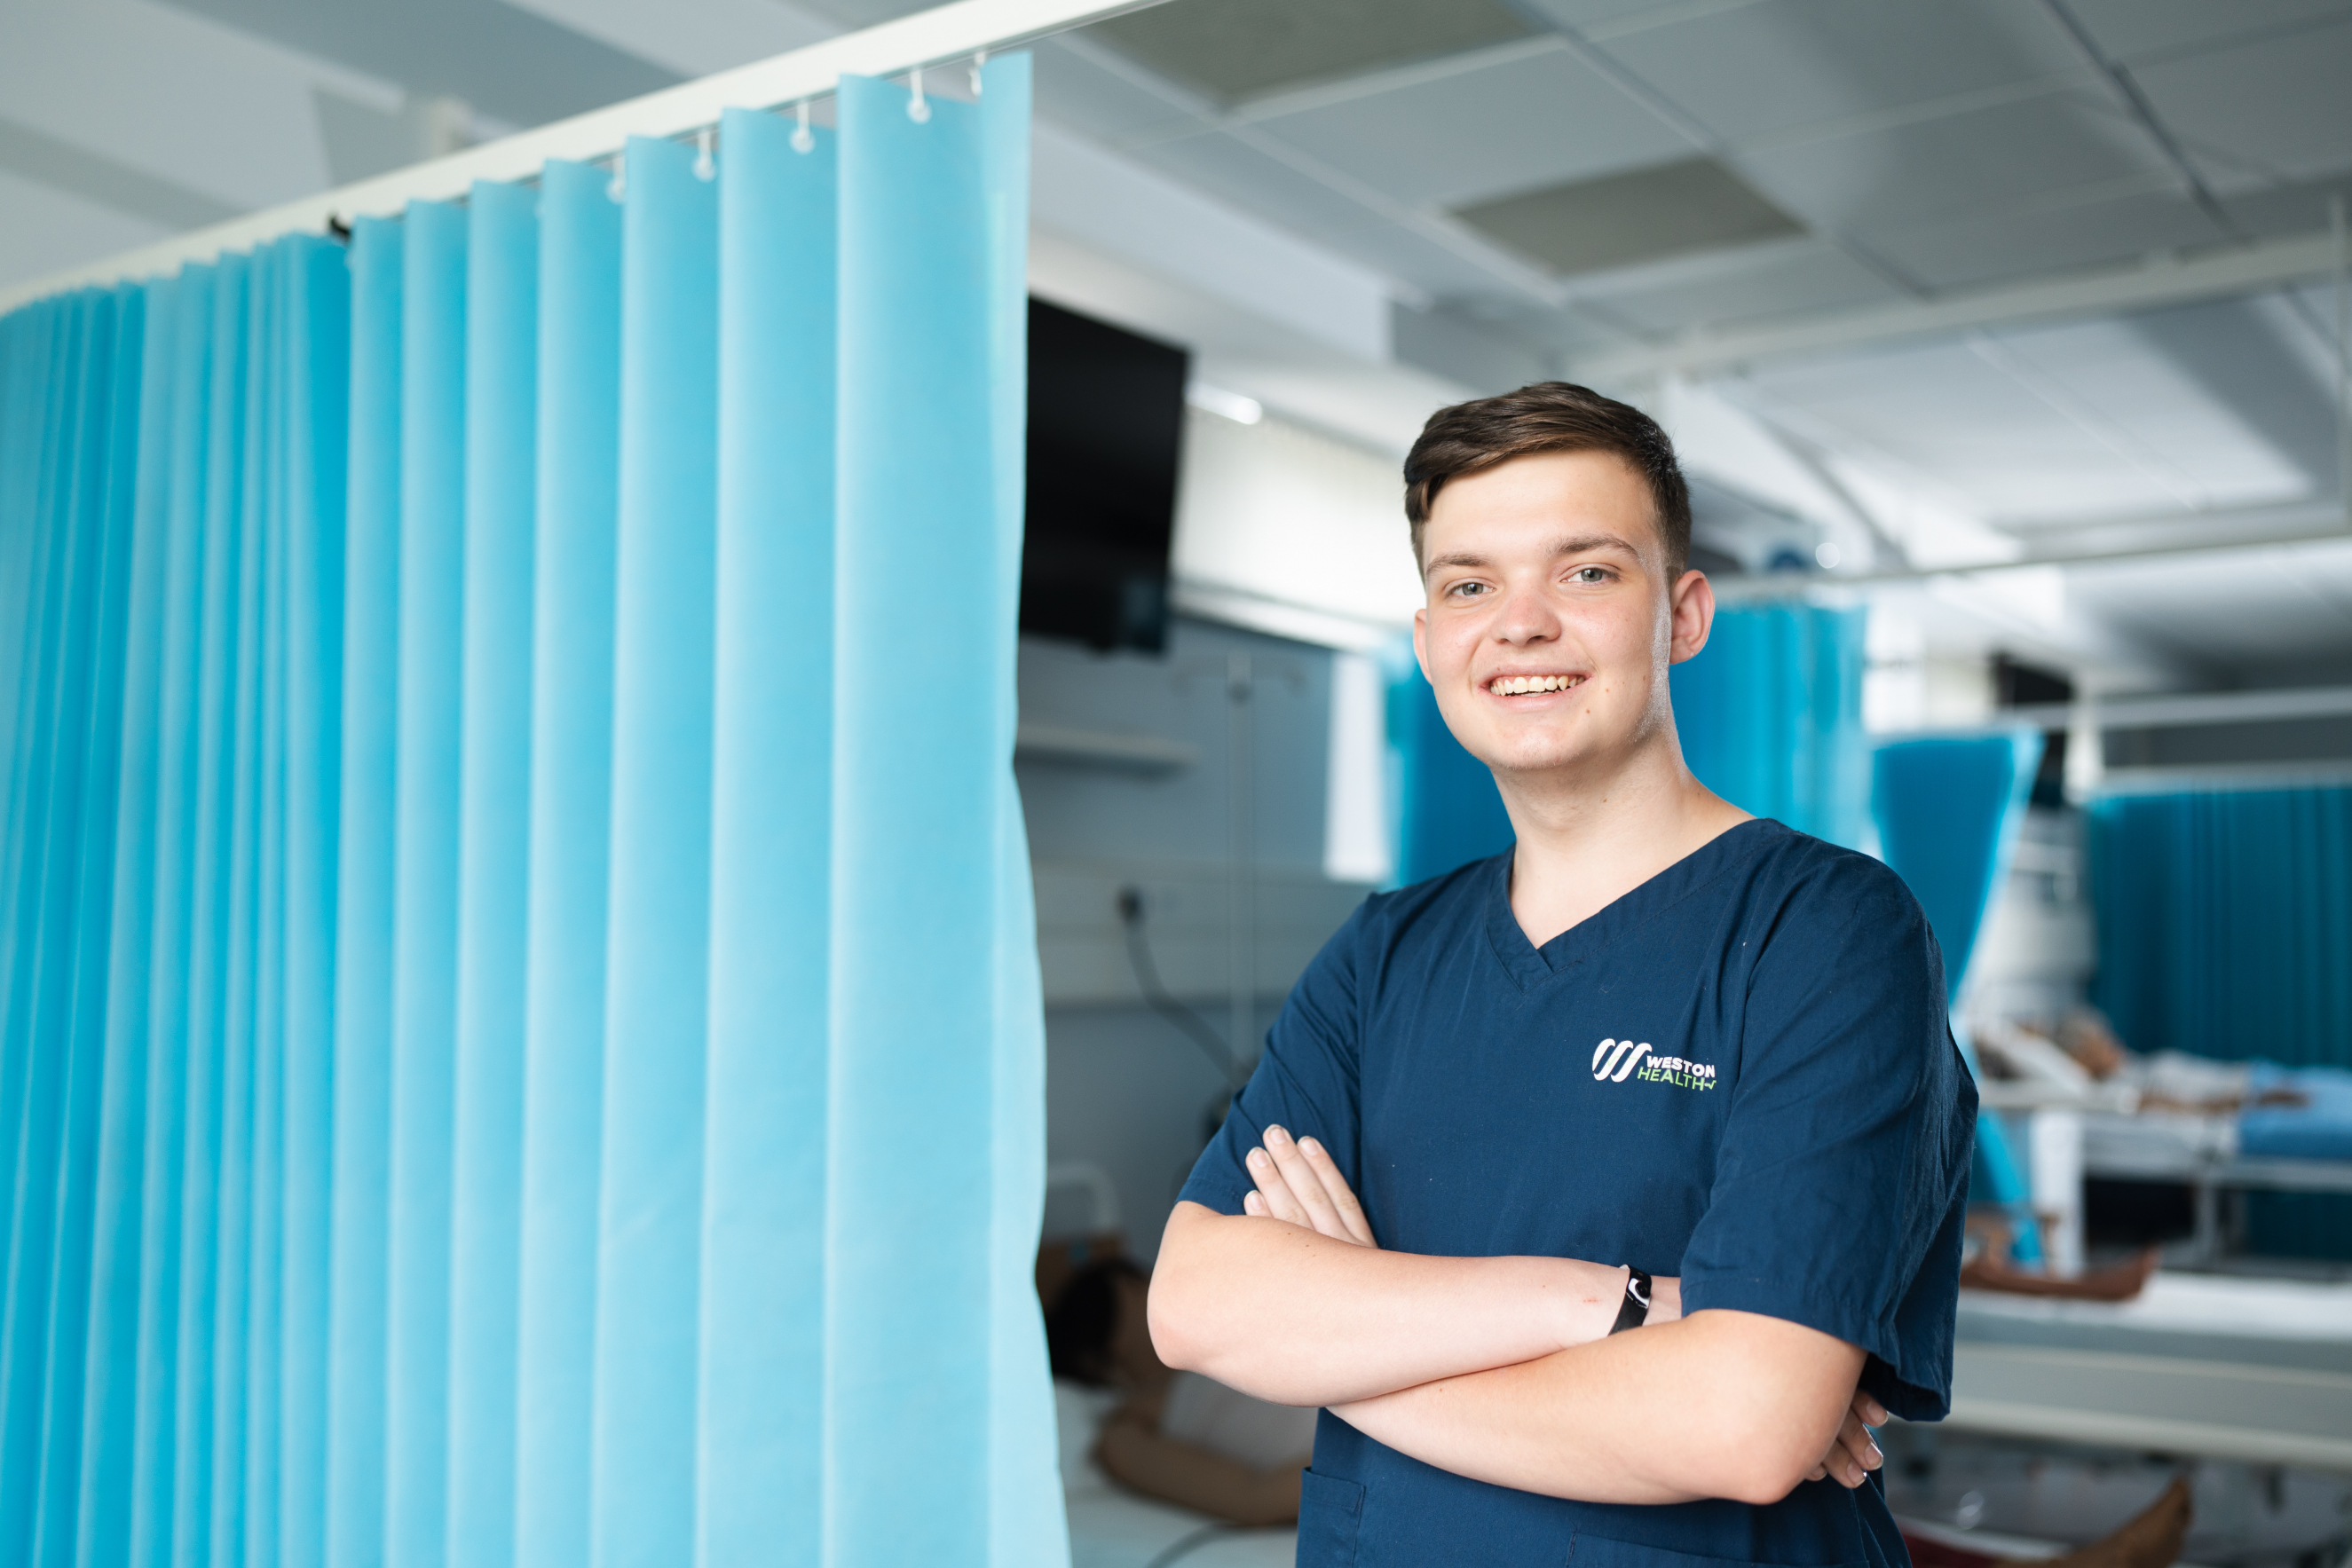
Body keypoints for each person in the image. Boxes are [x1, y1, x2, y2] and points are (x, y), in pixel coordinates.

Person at [1147, 382, 1979, 1567]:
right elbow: (1193, 1305)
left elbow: (1741, 1424)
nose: (1518, 623)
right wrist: (1614, 1307)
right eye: (1468, 584)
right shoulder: (1381, 954)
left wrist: (1337, 1350)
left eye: (1584, 573)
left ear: (1681, 614)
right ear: (1429, 639)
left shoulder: (1825, 930)